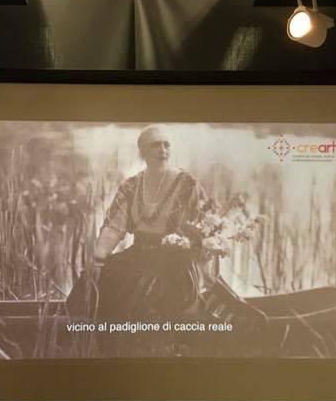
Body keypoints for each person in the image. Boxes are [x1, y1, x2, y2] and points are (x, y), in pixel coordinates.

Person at [66, 124, 266, 356]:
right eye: (155, 145)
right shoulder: (131, 186)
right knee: (102, 278)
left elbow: (205, 227)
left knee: (155, 290)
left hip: (176, 261)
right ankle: (94, 343)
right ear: (143, 151)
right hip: (138, 255)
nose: (162, 150)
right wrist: (98, 259)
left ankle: (168, 345)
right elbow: (114, 227)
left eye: (166, 145)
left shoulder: (187, 185)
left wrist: (203, 259)